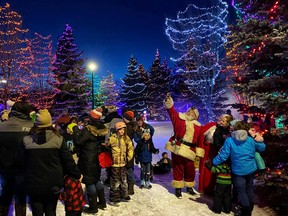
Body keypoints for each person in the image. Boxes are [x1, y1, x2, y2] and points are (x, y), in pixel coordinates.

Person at [22, 109, 81, 216]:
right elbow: (67, 160)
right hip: (53, 183)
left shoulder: (26, 140)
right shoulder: (58, 139)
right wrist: (76, 174)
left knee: (37, 211)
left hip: (33, 183)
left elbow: (21, 161)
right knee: (51, 211)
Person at [212, 121, 266, 216]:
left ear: (235, 129)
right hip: (251, 169)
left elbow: (224, 156)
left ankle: (246, 211)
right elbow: (262, 148)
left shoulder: (229, 140)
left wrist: (214, 162)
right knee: (249, 188)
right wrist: (258, 139)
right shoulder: (250, 139)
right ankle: (250, 205)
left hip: (238, 171)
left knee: (241, 191)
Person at [164, 94, 203, 198]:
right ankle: (178, 188)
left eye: (193, 113)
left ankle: (189, 187)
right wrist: (169, 101)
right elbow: (171, 111)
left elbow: (200, 140)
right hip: (178, 147)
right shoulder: (179, 119)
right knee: (178, 167)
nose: (190, 113)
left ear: (196, 116)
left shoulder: (198, 126)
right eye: (189, 111)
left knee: (190, 170)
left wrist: (198, 153)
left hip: (190, 150)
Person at [0, 101, 34, 216]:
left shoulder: (1, 126)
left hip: (4, 169)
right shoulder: (31, 127)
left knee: (5, 195)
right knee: (20, 196)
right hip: (23, 170)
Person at [73, 108, 108, 214]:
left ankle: (93, 207)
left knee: (89, 182)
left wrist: (75, 130)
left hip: (87, 158)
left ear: (92, 117)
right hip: (96, 157)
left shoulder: (88, 129)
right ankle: (102, 202)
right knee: (96, 179)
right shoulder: (102, 128)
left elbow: (78, 142)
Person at [198, 114, 233, 195]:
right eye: (220, 120)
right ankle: (207, 189)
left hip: (224, 153)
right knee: (210, 170)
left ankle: (222, 190)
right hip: (213, 151)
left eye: (223, 121)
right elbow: (203, 136)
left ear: (228, 122)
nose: (220, 122)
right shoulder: (214, 127)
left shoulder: (230, 130)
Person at [106, 121, 134, 203]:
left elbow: (130, 147)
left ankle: (124, 194)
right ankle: (115, 197)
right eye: (120, 129)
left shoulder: (126, 138)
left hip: (123, 163)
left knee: (124, 179)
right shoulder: (112, 138)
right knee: (115, 181)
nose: (122, 131)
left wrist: (129, 157)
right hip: (115, 164)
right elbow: (106, 147)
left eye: (123, 130)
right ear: (117, 130)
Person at [122, 110, 136, 195]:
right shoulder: (130, 126)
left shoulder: (128, 127)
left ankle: (130, 188)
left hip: (127, 149)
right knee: (129, 169)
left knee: (129, 170)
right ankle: (129, 187)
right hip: (129, 149)